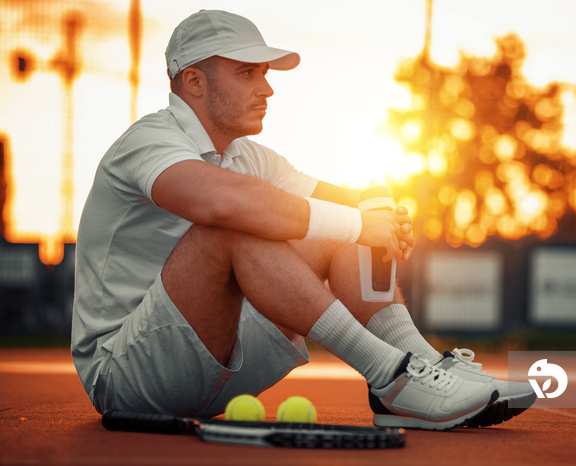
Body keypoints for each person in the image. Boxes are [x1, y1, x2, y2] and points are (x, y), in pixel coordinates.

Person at [71, 9, 534, 431]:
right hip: (126, 374)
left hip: (218, 357)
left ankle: (417, 365)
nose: (267, 87)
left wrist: (380, 214)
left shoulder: (249, 157)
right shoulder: (147, 141)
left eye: (265, 74)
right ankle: (388, 374)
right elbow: (222, 206)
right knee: (239, 224)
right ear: (194, 82)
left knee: (348, 220)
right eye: (247, 73)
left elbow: (350, 207)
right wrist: (357, 224)